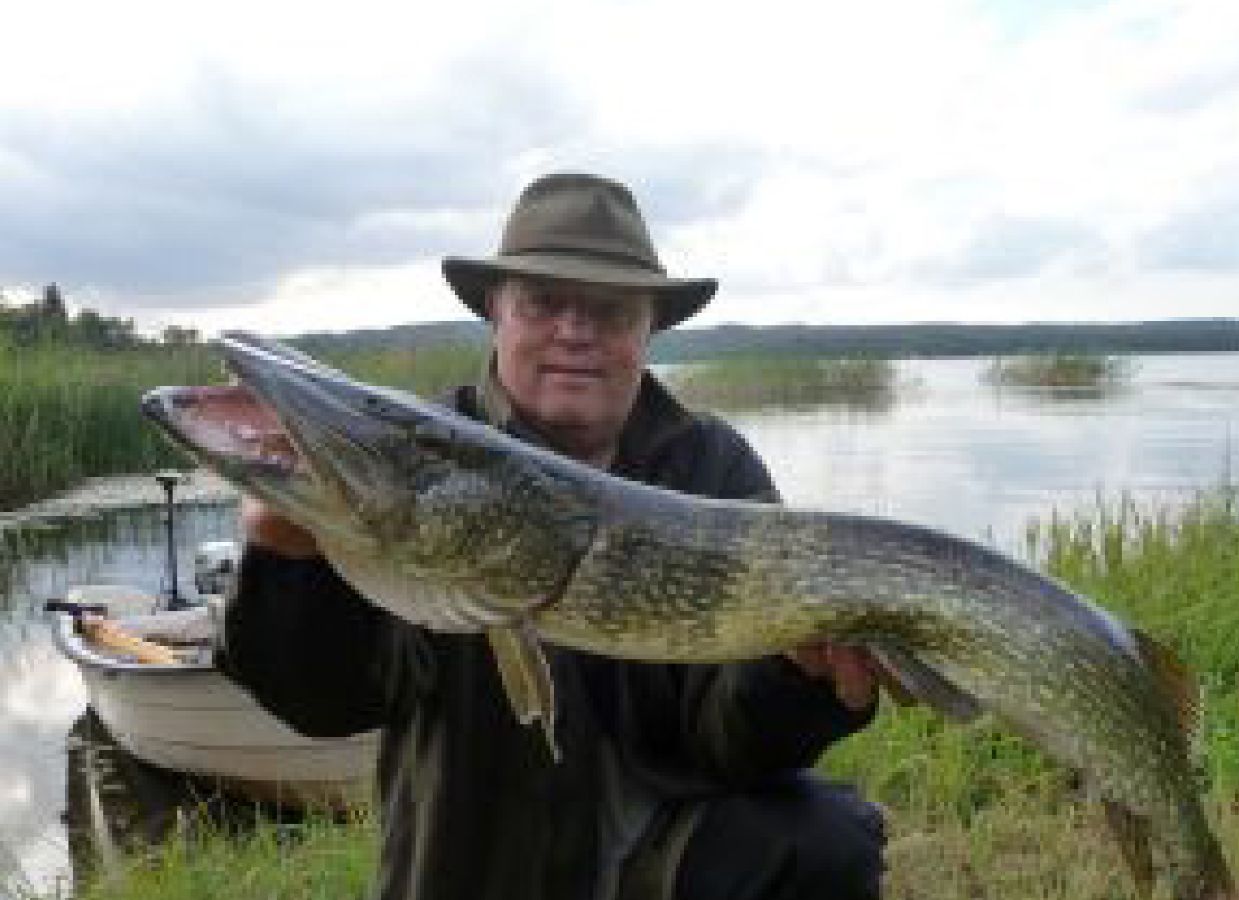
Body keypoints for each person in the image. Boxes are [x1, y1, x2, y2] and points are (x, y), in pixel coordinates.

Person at [217, 172, 888, 900]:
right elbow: (328, 702)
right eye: (542, 303)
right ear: (496, 316)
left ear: (647, 331)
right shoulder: (421, 465)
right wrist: (290, 567)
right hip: (475, 872)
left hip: (660, 866)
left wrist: (793, 677)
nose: (575, 331)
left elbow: (731, 742)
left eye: (610, 309)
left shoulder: (710, 466)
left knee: (824, 841)